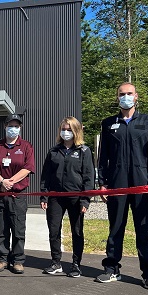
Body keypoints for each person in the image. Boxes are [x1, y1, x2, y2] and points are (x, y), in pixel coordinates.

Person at [96, 82, 148, 289]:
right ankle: (111, 268)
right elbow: (102, 157)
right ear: (117, 98)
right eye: (122, 94)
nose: (125, 97)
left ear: (136, 97)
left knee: (144, 229)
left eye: (129, 94)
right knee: (115, 227)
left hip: (142, 184)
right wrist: (102, 183)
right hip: (117, 183)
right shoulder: (108, 124)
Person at [39, 116, 94, 278]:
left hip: (76, 198)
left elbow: (88, 177)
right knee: (54, 230)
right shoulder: (54, 151)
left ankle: (76, 264)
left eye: (69, 129)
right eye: (63, 129)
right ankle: (56, 262)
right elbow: (46, 176)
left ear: (76, 131)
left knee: (77, 231)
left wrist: (85, 199)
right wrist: (44, 196)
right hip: (55, 197)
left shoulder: (84, 151)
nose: (66, 132)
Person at [0, 114, 35, 274]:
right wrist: (2, 181)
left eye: (16, 126)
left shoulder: (26, 146)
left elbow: (28, 167)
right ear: (5, 126)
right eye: (10, 125)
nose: (13, 129)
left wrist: (11, 182)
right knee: (1, 228)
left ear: (20, 128)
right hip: (0, 194)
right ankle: (2, 259)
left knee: (18, 228)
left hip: (17, 195)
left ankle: (18, 260)